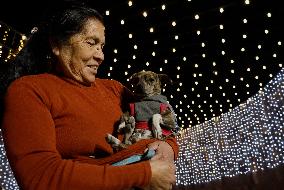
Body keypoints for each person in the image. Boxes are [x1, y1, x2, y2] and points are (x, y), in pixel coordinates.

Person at [1, 2, 179, 190]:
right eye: (91, 43)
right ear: (57, 45)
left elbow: (163, 120)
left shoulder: (115, 89)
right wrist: (144, 175)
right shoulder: (29, 91)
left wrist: (168, 149)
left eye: (101, 46)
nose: (100, 55)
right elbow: (40, 177)